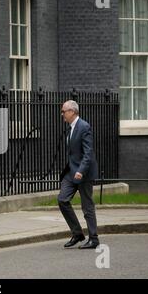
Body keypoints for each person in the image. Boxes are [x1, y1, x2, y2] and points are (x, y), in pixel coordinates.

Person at [58, 100, 99, 249]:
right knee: (62, 199)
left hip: (84, 173)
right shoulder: (71, 127)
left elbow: (88, 153)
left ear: (72, 112)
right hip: (71, 172)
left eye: (64, 111)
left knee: (87, 206)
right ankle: (77, 233)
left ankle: (94, 239)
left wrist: (81, 171)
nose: (62, 114)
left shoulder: (84, 127)